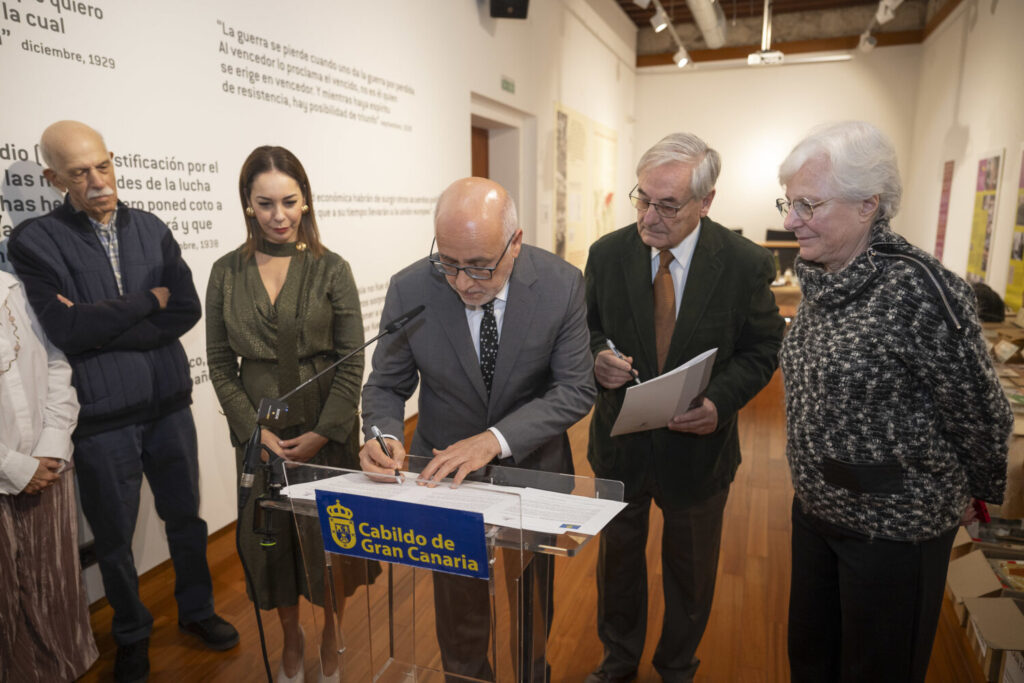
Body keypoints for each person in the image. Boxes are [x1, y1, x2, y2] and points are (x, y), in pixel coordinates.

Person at [777, 120, 1012, 683]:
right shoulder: (821, 279)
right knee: (811, 662)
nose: (789, 222)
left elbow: (983, 414)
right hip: (815, 514)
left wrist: (970, 494)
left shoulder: (921, 289)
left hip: (893, 534)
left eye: (807, 205)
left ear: (867, 205)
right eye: (788, 202)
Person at [7, 120, 238, 683]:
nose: (97, 181)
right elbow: (63, 328)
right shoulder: (34, 240)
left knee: (185, 518)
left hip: (169, 406)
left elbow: (183, 309)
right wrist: (145, 304)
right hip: (102, 420)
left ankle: (198, 612)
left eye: (103, 166)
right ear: (53, 177)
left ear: (113, 161)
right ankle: (131, 634)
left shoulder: (152, 227)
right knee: (113, 538)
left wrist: (102, 326)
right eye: (79, 172)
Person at [359, 176, 596, 681]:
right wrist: (381, 436)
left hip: (533, 469)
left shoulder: (562, 284)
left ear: (516, 242)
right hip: (444, 477)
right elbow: (385, 385)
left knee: (533, 605)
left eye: (480, 266)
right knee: (459, 612)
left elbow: (575, 388)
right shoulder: (411, 287)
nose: (464, 281)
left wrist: (495, 440)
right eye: (449, 263)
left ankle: (533, 671)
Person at [584, 133, 784, 683]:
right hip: (620, 445)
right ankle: (618, 661)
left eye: (668, 205)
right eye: (642, 198)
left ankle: (677, 667)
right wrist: (597, 357)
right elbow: (586, 329)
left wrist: (720, 402)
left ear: (706, 201)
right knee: (618, 567)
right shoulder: (607, 253)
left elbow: (764, 348)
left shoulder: (744, 264)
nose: (650, 215)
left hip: (699, 451)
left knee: (690, 574)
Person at [206, 145, 379, 683]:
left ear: (305, 202)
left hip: (327, 432)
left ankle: (331, 628)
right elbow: (218, 362)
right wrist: (251, 430)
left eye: (290, 201)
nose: (278, 216)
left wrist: (327, 432)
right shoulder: (225, 272)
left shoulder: (332, 269)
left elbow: (353, 361)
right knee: (271, 544)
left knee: (332, 540)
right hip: (261, 438)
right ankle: (290, 637)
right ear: (247, 204)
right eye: (265, 203)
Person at [0, 268, 98, 682]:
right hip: (12, 473)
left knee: (54, 591)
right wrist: (14, 467)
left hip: (49, 466)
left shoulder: (14, 287)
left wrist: (52, 446)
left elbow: (57, 363)